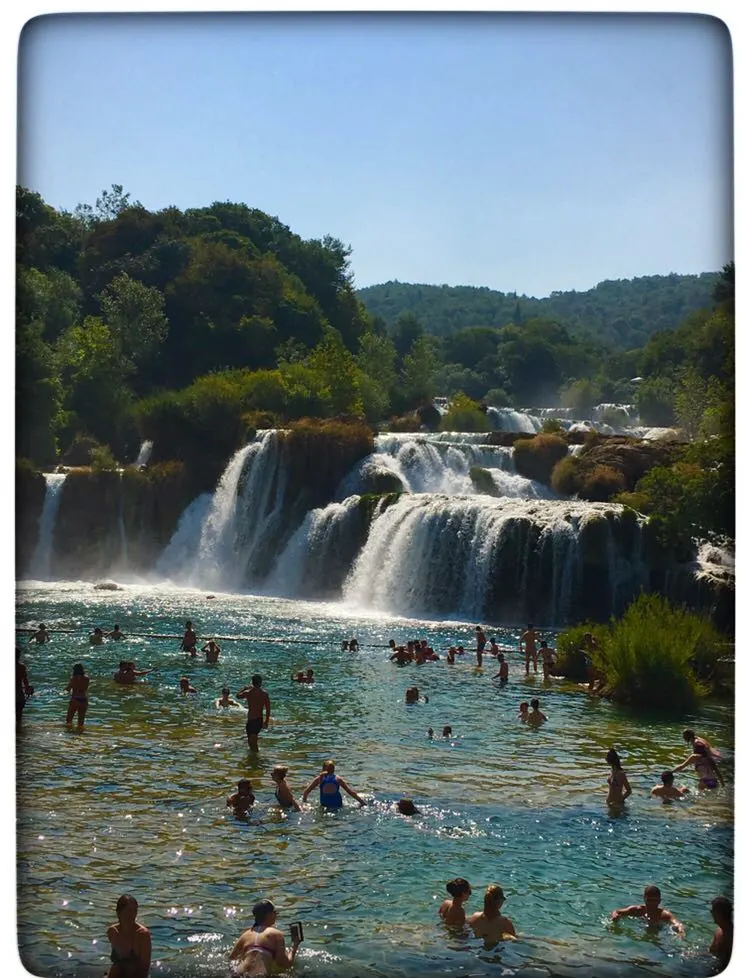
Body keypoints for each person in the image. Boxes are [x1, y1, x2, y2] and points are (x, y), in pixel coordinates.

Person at [229, 899, 300, 975]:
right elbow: (285, 964)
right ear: (268, 915)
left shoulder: (244, 935)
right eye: (275, 912)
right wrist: (294, 947)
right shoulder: (276, 934)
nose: (276, 915)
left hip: (239, 973)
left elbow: (231, 959)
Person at [106, 893, 151, 978]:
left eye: (134, 911)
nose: (132, 915)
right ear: (119, 913)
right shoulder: (112, 932)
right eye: (128, 911)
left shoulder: (142, 934)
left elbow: (144, 969)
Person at [611, 885, 685, 936]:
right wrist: (615, 916)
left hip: (659, 931)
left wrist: (680, 932)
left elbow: (678, 923)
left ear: (659, 901)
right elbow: (617, 911)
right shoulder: (637, 910)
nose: (651, 904)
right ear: (644, 899)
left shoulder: (663, 914)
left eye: (654, 901)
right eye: (649, 900)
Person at [238, 675, 271, 751]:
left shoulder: (248, 692)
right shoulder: (264, 694)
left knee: (252, 742)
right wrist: (266, 721)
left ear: (252, 682)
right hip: (258, 720)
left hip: (252, 720)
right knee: (251, 742)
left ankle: (256, 758)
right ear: (260, 682)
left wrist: (244, 688)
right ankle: (253, 758)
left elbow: (238, 696)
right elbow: (268, 709)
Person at [709, 896, 733, 968]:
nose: (711, 913)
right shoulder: (719, 930)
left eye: (713, 911)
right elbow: (711, 951)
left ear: (719, 913)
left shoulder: (731, 937)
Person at [65, 663, 90, 730]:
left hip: (75, 699)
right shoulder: (87, 678)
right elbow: (85, 689)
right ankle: (80, 735)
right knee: (81, 723)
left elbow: (68, 689)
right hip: (83, 700)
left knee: (69, 720)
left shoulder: (73, 678)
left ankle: (69, 733)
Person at [16, 647, 34, 732]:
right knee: (19, 719)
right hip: (19, 696)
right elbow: (26, 683)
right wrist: (29, 690)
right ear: (19, 656)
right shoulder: (22, 667)